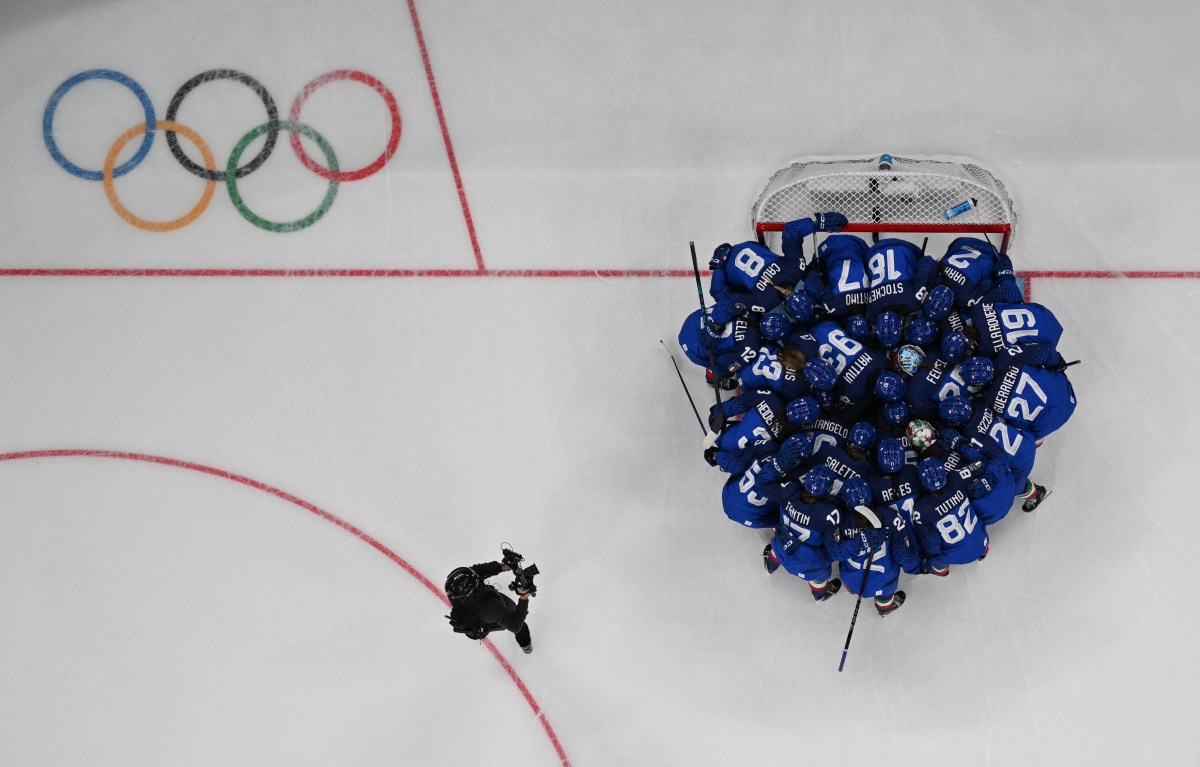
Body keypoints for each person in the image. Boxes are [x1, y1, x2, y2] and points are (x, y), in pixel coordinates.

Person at [445, 560, 534, 654]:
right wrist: (523, 598)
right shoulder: (492, 608)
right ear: (474, 588)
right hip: (486, 618)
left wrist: (501, 567)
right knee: (520, 625)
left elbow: (477, 571)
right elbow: (515, 626)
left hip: (476, 610)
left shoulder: (454, 591)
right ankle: (527, 647)